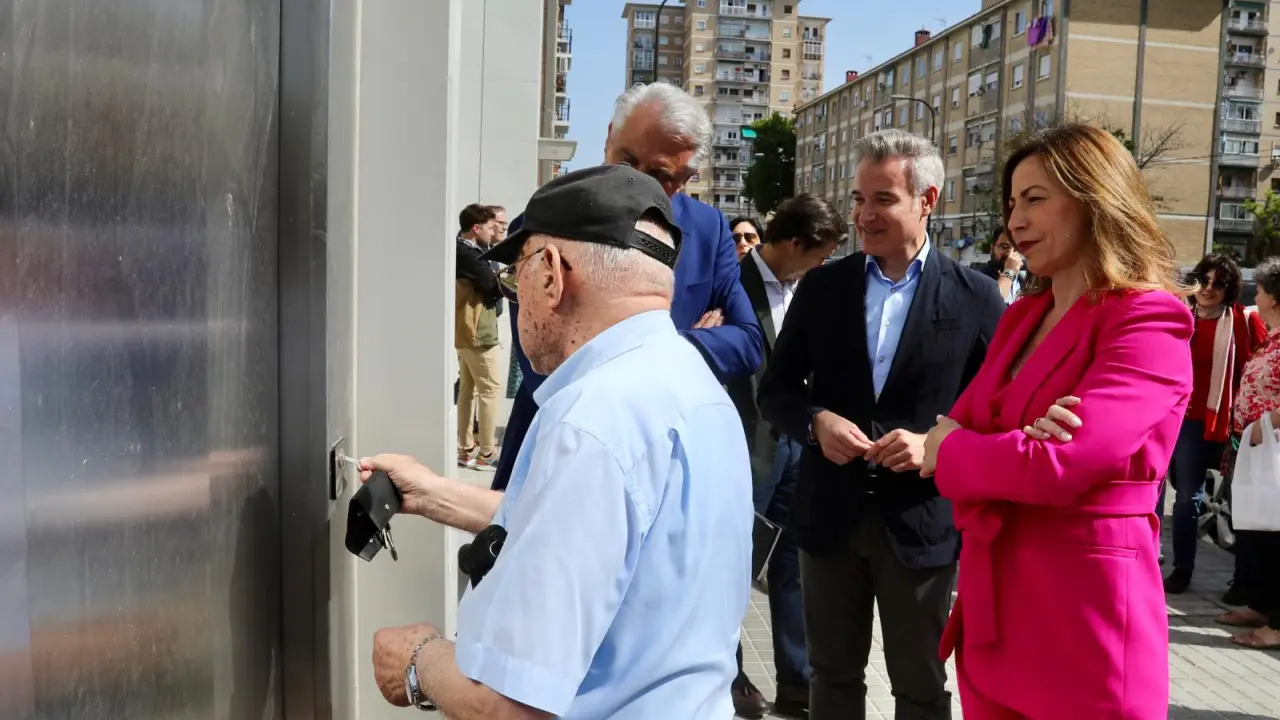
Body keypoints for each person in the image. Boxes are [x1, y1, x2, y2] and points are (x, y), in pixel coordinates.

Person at [365, 165, 753, 718]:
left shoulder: (593, 421)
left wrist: (417, 660)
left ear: (550, 273)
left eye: (515, 275)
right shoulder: (693, 385)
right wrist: (430, 493)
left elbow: (510, 707)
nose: (516, 296)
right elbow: (601, 526)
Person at [921, 123, 1193, 719]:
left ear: (1096, 199)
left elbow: (1056, 464)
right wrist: (1007, 447)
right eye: (1011, 203)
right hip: (994, 614)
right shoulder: (1024, 316)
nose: (1014, 221)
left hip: (1086, 619)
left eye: (1035, 199)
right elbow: (956, 429)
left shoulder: (1148, 318)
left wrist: (962, 449)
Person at [757, 129, 1004, 720]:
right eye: (858, 199)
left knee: (919, 684)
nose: (864, 215)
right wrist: (816, 422)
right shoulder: (823, 287)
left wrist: (937, 444)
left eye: (883, 199)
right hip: (828, 518)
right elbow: (776, 392)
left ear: (928, 200)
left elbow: (997, 411)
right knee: (831, 677)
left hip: (920, 523)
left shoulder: (975, 297)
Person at [491, 82, 764, 494]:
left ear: (686, 177)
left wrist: (648, 347)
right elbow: (546, 369)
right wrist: (676, 349)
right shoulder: (545, 222)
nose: (633, 181)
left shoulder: (708, 230)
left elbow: (746, 343)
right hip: (555, 461)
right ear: (608, 138)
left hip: (665, 464)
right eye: (626, 160)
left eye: (658, 174)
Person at [725, 194, 847, 718]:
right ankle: (730, 675)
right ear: (795, 244)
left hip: (800, 446)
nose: (824, 265)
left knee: (794, 565)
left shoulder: (812, 290)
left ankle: (797, 680)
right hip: (745, 447)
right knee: (734, 566)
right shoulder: (730, 283)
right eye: (820, 254)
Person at [1160, 253, 1267, 595]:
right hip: (1181, 419)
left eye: (1218, 284)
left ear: (1230, 289)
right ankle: (1176, 567)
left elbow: (1259, 370)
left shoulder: (1241, 321)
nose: (1208, 289)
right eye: (1203, 280)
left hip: (1224, 422)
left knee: (1235, 501)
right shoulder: (1180, 317)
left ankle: (1240, 582)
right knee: (1179, 497)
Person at [1217, 257, 1280, 650]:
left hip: (1273, 448)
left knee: (1276, 537)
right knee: (1260, 533)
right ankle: (1262, 605)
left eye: (1261, 289)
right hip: (1258, 448)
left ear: (1273, 297)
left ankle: (1277, 625)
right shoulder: (1273, 336)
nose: (1256, 295)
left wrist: (1267, 422)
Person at [454, 203, 506, 470]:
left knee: (468, 390)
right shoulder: (470, 254)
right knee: (489, 391)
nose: (493, 231)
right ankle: (487, 452)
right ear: (476, 228)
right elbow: (493, 286)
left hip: (466, 331)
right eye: (490, 227)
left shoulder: (463, 250)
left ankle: (465, 449)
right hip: (478, 332)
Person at [976, 232, 1026, 304]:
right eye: (1004, 247)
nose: (1010, 255)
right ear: (992, 248)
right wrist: (1010, 272)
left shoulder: (1025, 282)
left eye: (1016, 249)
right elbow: (992, 303)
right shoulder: (979, 277)